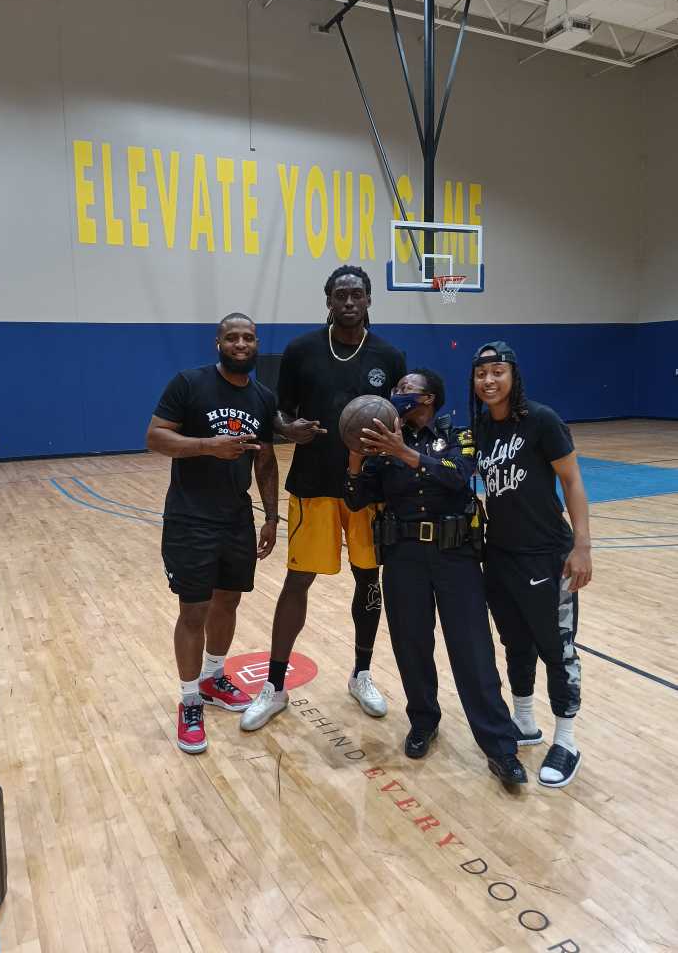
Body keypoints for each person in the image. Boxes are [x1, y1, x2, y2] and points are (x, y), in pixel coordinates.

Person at [341, 369, 527, 784]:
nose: (398, 394)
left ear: (429, 397)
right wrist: (356, 455)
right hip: (404, 557)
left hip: (455, 556)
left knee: (473, 651)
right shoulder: (383, 440)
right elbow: (356, 499)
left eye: (407, 388)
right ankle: (424, 720)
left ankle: (500, 746)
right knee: (412, 646)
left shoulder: (458, 434)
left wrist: (403, 453)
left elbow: (456, 474)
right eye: (396, 388)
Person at [240, 266, 406, 732]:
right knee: (298, 582)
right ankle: (274, 686)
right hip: (313, 484)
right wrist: (285, 428)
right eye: (340, 295)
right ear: (328, 300)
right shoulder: (301, 351)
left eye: (357, 294)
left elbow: (401, 422)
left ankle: (362, 673)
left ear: (369, 299)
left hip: (369, 489)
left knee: (368, 581)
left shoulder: (390, 356)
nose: (349, 302)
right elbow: (277, 411)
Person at [146, 313, 279, 754]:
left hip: (236, 517)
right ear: (218, 342)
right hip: (190, 517)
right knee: (194, 611)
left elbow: (264, 461)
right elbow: (155, 437)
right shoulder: (189, 383)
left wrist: (272, 518)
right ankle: (189, 702)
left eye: (248, 337)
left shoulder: (262, 396)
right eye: (232, 337)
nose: (241, 343)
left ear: (256, 344)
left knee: (229, 600)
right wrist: (207, 445)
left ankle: (213, 676)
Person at [471, 341, 592, 788]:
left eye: (497, 372)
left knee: (556, 648)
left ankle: (567, 740)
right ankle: (524, 721)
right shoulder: (483, 427)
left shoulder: (541, 420)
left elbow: (573, 480)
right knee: (515, 642)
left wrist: (582, 547)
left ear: (513, 376)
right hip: (500, 555)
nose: (489, 381)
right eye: (481, 374)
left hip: (547, 554)